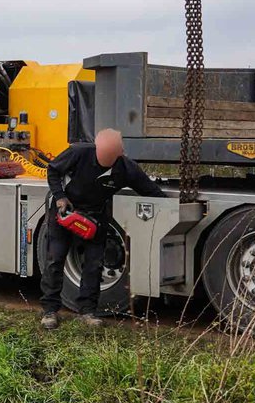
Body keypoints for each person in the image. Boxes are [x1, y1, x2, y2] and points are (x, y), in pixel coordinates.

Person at [39, 128, 166, 330]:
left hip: (95, 218)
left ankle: (87, 311)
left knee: (94, 264)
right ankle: (50, 311)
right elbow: (53, 170)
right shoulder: (79, 153)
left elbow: (149, 190)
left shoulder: (126, 168)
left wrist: (171, 209)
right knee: (55, 260)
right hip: (66, 212)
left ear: (119, 153)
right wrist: (60, 196)